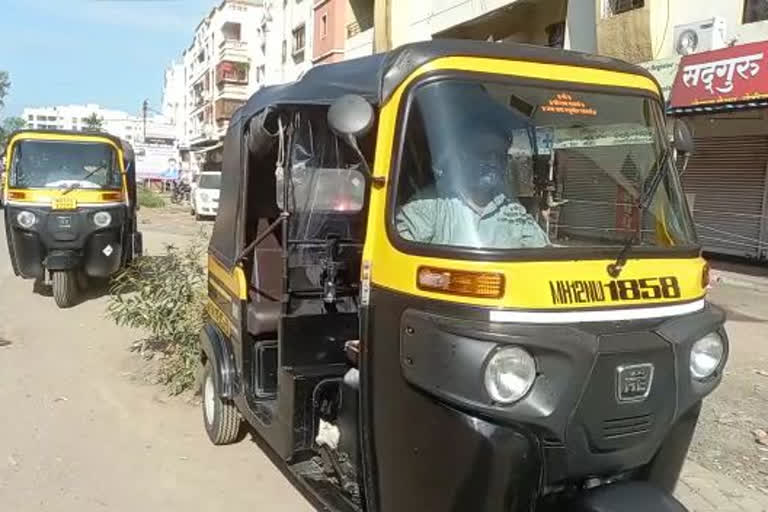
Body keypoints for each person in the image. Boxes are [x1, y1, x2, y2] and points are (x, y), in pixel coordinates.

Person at [396, 128, 549, 249]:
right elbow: (400, 258)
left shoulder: (511, 208)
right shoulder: (428, 205)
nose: (493, 162)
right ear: (461, 157)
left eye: (500, 155)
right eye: (484, 154)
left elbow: (541, 253)